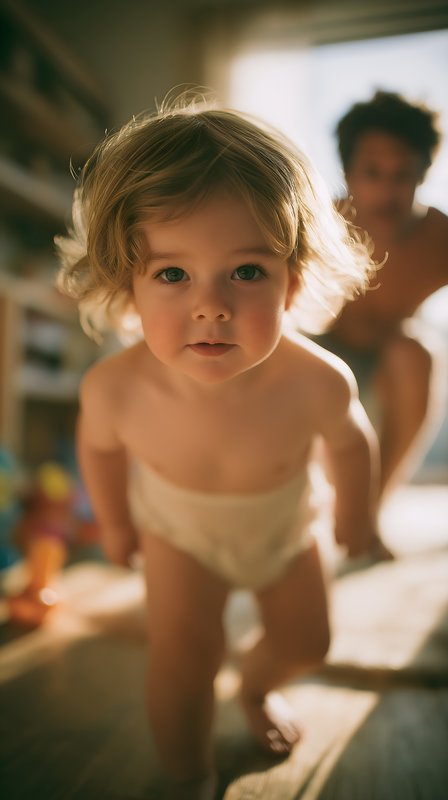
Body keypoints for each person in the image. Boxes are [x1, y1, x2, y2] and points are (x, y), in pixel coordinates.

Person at [56, 99, 390, 799]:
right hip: (179, 535)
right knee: (183, 659)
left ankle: (259, 685)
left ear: (293, 279)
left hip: (285, 527)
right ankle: (188, 776)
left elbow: (351, 443)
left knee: (307, 645)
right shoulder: (114, 391)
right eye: (173, 275)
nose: (211, 306)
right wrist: (115, 522)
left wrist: (356, 518)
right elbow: (101, 451)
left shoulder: (318, 380)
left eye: (246, 272)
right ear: (128, 282)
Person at [319, 91, 448, 498]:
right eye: (372, 172)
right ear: (349, 173)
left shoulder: (438, 237)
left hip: (390, 363)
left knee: (415, 351)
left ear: (422, 176)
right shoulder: (320, 222)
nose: (387, 191)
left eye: (402, 175)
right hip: (319, 347)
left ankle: (374, 512)